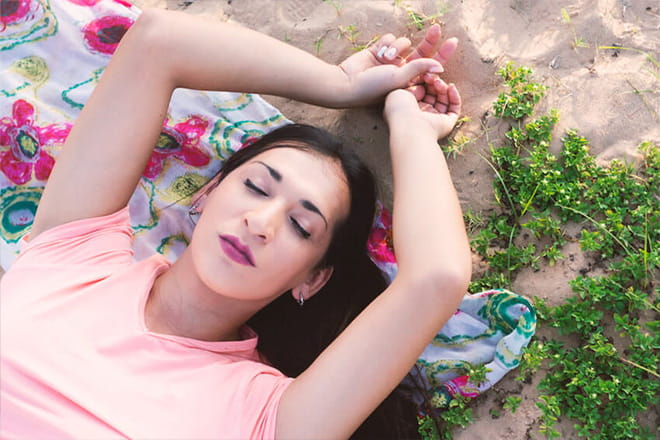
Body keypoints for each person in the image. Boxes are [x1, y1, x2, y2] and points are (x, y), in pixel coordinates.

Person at [0, 8, 471, 440]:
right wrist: (340, 82)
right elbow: (159, 42)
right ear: (208, 192)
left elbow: (437, 278)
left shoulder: (267, 415)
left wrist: (408, 123)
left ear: (312, 277)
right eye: (257, 187)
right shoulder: (75, 257)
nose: (260, 222)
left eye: (301, 226)